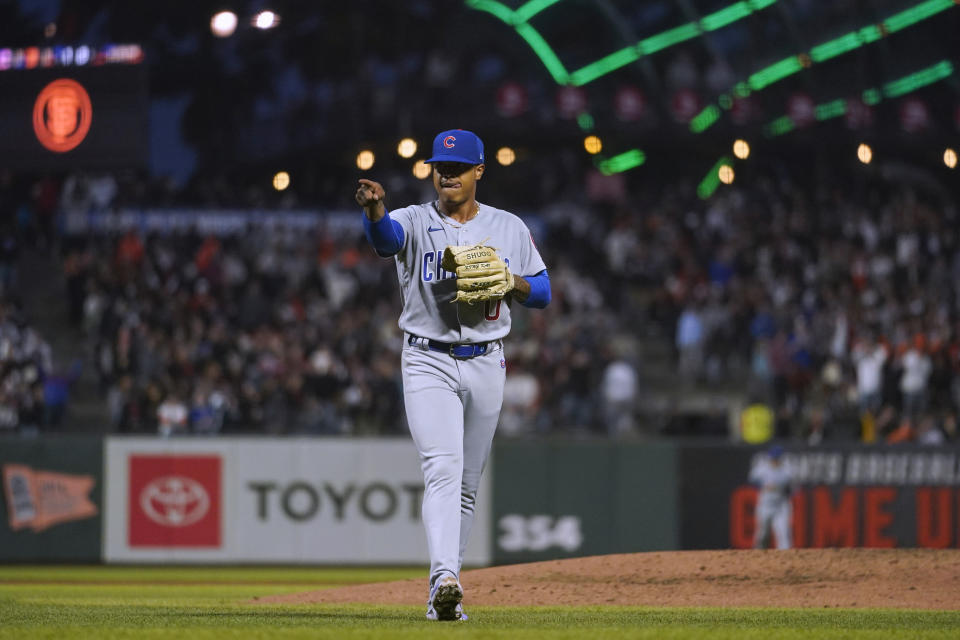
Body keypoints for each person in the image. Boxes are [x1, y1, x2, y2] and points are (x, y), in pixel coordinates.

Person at [354, 129, 550, 621]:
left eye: (458, 167)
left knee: (466, 483)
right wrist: (375, 210)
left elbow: (543, 291)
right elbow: (385, 241)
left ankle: (445, 593)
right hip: (427, 358)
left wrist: (513, 282)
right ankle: (445, 577)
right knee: (442, 467)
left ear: (479, 171)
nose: (447, 175)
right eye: (440, 167)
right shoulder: (413, 218)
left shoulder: (507, 226)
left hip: (487, 358)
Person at [749, 444, 794, 549]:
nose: (774, 460)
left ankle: (786, 561)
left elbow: (793, 489)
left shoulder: (787, 471)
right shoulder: (762, 468)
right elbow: (752, 481)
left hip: (781, 506)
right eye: (773, 458)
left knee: (784, 534)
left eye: (776, 458)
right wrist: (763, 486)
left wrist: (780, 489)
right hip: (765, 505)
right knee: (762, 535)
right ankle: (756, 558)